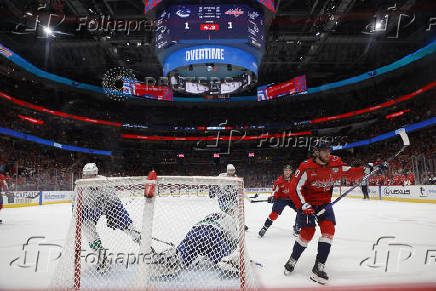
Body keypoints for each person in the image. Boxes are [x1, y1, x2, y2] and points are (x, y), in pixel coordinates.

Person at [283, 141, 382, 284]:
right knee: (307, 234)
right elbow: (294, 188)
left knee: (329, 231)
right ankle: (293, 259)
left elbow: (350, 172)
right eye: (324, 151)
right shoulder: (306, 167)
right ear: (316, 153)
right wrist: (303, 205)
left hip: (325, 203)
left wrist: (366, 170)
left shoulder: (336, 162)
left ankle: (319, 266)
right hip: (307, 204)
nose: (328, 153)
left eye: (329, 150)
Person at [148, 188, 241, 279]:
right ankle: (228, 264)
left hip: (194, 233)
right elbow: (233, 242)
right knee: (225, 259)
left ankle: (166, 260)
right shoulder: (230, 219)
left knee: (182, 256)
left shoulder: (213, 215)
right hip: (213, 235)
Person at [73, 163, 141, 273]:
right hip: (89, 209)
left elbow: (116, 205)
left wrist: (117, 217)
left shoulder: (104, 182)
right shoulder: (80, 187)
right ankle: (101, 256)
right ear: (83, 176)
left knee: (127, 225)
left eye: (91, 176)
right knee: (87, 227)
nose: (88, 179)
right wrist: (81, 218)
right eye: (86, 176)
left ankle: (145, 245)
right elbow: (76, 208)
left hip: (108, 205)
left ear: (96, 175)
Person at [258, 165, 299, 238]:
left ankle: (297, 226)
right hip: (281, 199)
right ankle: (265, 227)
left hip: (292, 198)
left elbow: (300, 188)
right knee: (274, 214)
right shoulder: (279, 181)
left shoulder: (296, 179)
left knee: (301, 210)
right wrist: (273, 197)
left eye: (289, 170)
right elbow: (275, 191)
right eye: (286, 170)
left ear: (291, 171)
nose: (287, 172)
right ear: (283, 171)